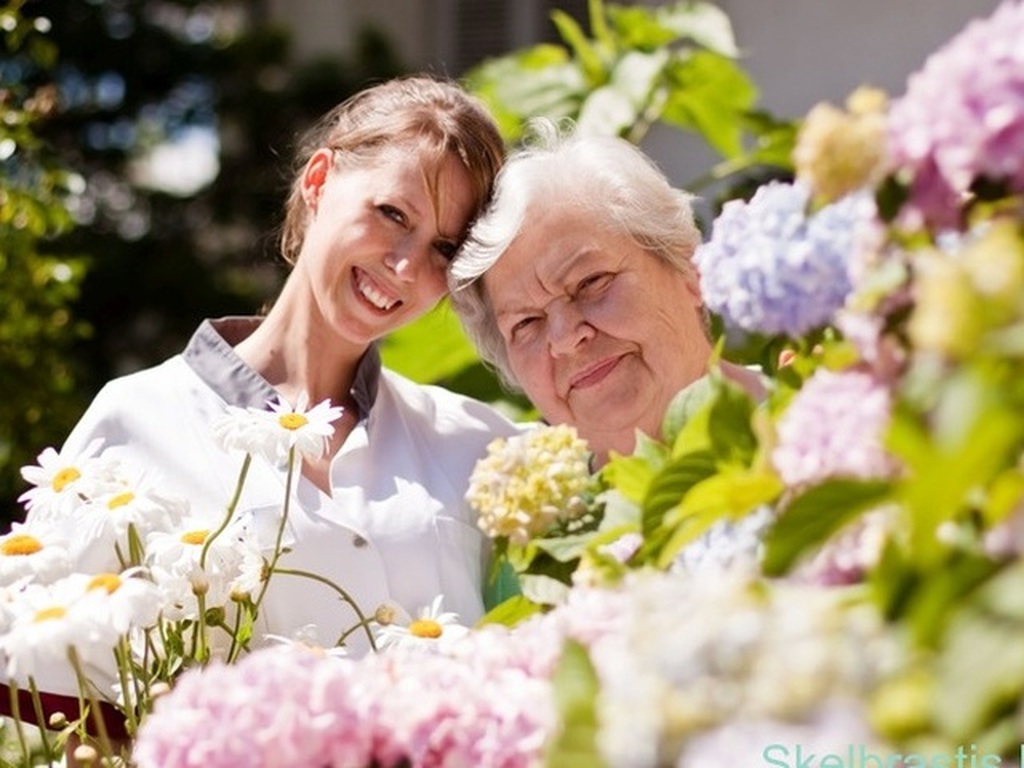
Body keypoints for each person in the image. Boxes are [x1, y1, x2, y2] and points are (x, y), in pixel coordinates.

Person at [2, 75, 522, 739]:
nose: (404, 265)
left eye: (443, 249)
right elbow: (37, 682)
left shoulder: (479, 443)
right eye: (393, 215)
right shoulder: (135, 419)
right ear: (319, 180)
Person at [450, 120, 765, 467]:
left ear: (689, 267)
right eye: (526, 323)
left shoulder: (817, 420)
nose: (566, 337)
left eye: (591, 282)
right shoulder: (537, 516)